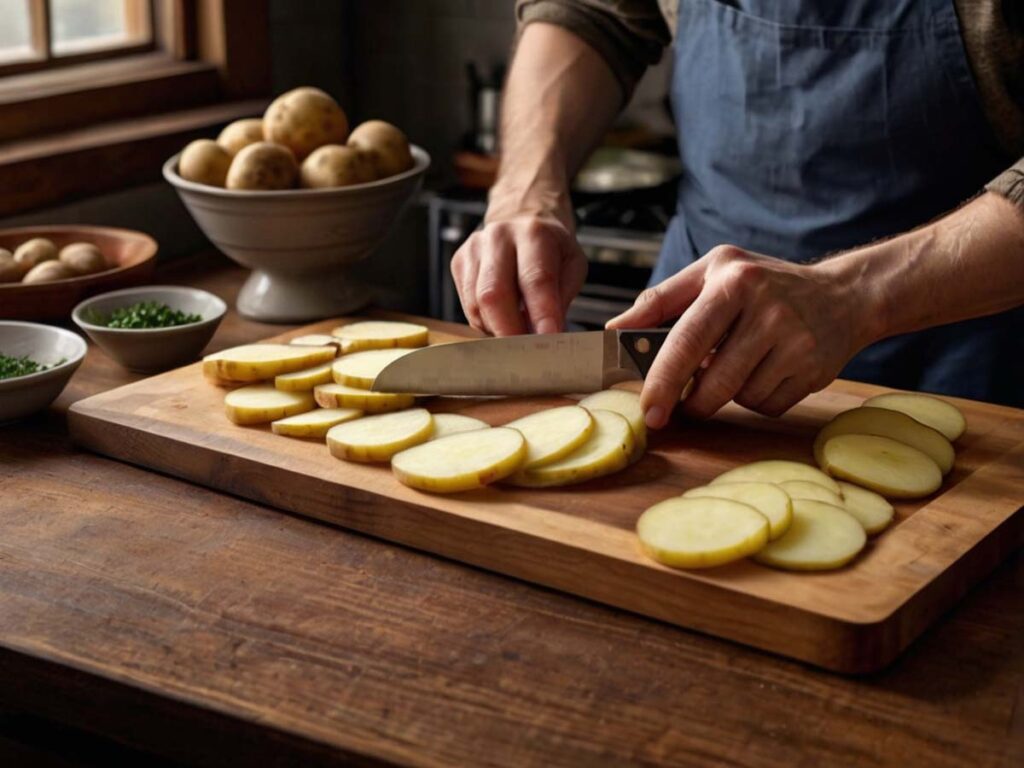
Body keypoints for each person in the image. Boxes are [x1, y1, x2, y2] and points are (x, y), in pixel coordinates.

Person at [451, 1, 1024, 429]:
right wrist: (525, 191)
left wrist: (853, 294)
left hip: (965, 358)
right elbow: (590, 11)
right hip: (689, 335)